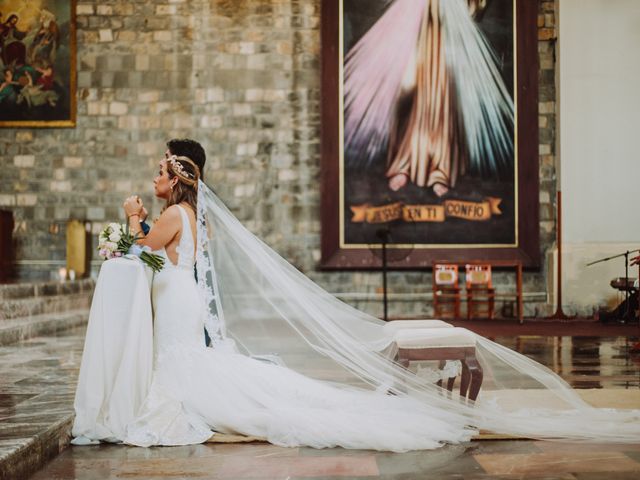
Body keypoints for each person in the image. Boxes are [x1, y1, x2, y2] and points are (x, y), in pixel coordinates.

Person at [72, 150, 640, 450]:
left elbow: (141, 251)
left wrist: (129, 220)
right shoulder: (190, 214)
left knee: (201, 381)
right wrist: (138, 231)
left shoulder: (172, 214)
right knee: (216, 374)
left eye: (160, 172)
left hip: (178, 313)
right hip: (182, 305)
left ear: (177, 180)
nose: (154, 177)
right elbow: (156, 256)